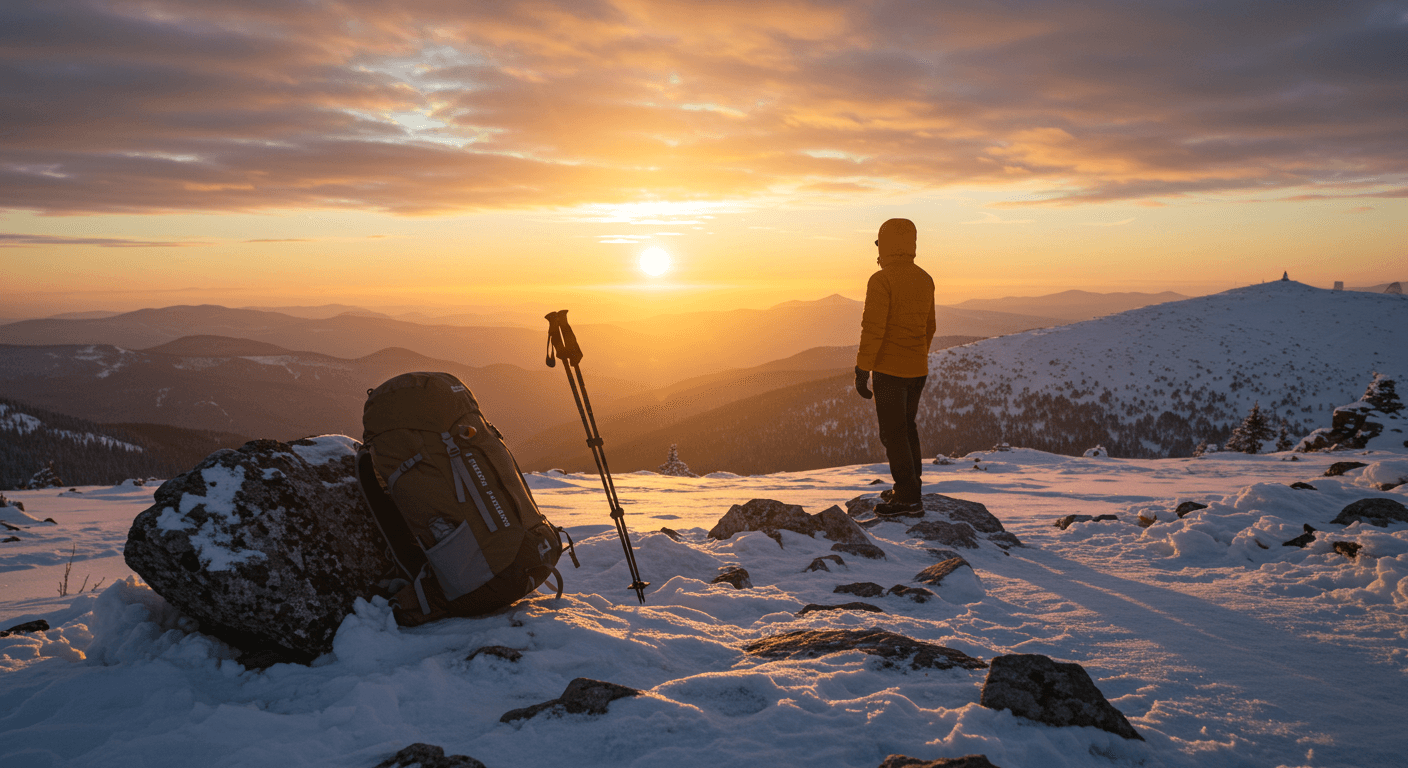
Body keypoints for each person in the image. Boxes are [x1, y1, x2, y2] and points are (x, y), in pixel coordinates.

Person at [854, 218, 936, 516]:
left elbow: (872, 328)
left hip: (890, 370)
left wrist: (863, 369)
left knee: (893, 433)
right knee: (908, 428)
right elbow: (930, 326)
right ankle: (910, 488)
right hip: (918, 368)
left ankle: (908, 500)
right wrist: (917, 356)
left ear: (886, 245)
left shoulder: (882, 280)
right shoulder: (924, 278)